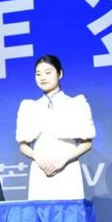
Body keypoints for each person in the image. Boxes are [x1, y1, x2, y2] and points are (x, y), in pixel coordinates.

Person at [16, 55, 95, 200]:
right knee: (40, 211)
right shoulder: (29, 107)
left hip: (67, 168)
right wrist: (38, 158)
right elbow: (23, 146)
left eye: (48, 72)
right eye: (38, 74)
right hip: (40, 169)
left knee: (69, 211)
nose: (43, 77)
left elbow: (87, 143)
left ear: (60, 74)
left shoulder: (76, 104)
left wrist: (63, 160)